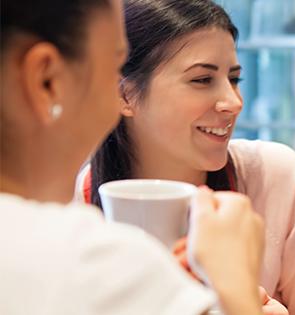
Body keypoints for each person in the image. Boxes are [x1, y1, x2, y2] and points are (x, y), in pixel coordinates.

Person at [0, 0, 265, 314]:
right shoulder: (98, 264)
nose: (232, 103)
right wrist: (236, 287)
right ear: (47, 80)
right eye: (114, 65)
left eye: (234, 79)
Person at [75, 1, 295, 314]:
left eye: (234, 79)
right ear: (124, 95)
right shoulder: (75, 203)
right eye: (202, 80)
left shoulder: (280, 178)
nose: (233, 102)